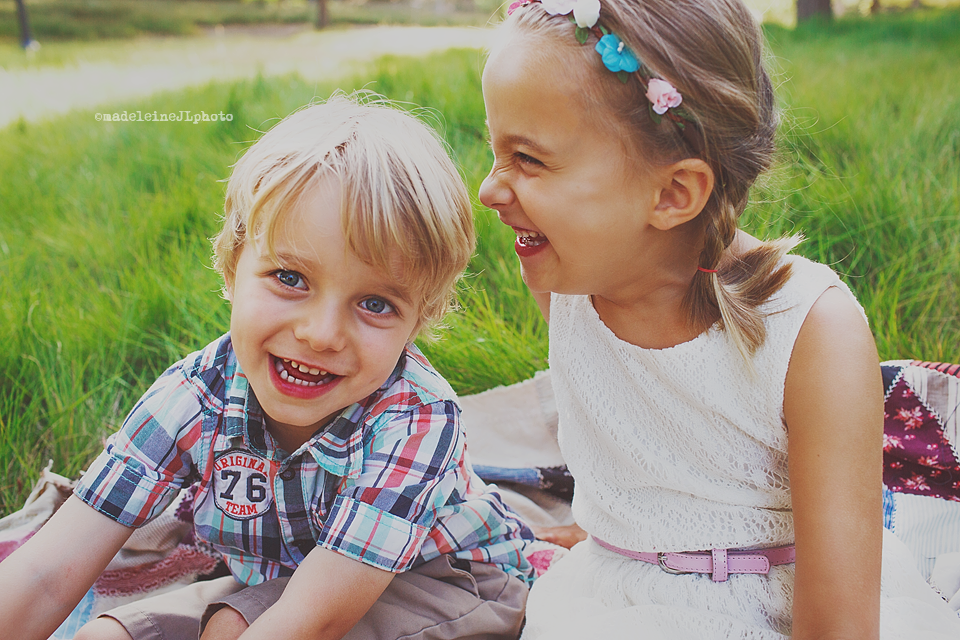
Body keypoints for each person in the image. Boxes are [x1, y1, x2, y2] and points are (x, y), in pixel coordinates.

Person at [477, 0, 960, 637]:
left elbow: (839, 625)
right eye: (495, 151)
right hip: (611, 601)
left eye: (529, 160)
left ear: (673, 194)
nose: (488, 189)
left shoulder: (813, 332)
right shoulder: (571, 282)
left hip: (773, 609)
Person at [0, 94, 534, 640]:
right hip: (283, 580)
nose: (320, 334)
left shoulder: (417, 419)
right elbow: (45, 574)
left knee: (232, 626)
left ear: (419, 320)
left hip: (448, 581)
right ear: (232, 267)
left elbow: (315, 619)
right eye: (290, 278)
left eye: (375, 303)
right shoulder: (194, 396)